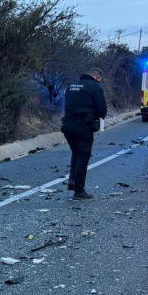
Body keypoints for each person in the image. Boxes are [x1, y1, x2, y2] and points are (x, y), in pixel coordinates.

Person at [62, 67, 107, 200]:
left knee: (76, 153)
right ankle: (79, 191)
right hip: (83, 125)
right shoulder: (94, 86)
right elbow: (102, 109)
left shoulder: (71, 86)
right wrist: (98, 116)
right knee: (83, 156)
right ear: (97, 76)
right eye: (99, 79)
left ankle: (73, 181)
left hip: (67, 125)